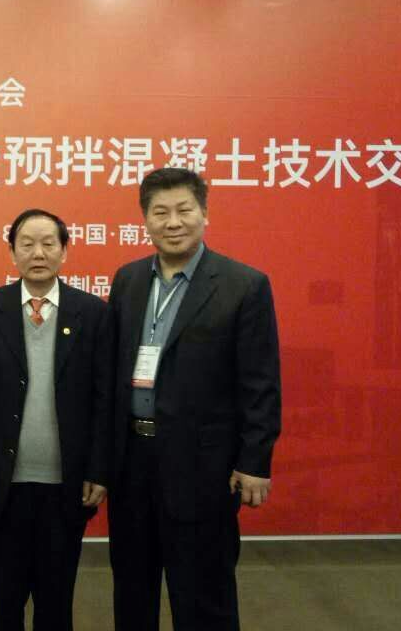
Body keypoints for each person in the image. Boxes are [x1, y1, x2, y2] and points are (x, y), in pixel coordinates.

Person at [107, 167, 282, 631]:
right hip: (132, 463)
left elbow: (261, 382)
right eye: (160, 212)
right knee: (132, 592)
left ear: (204, 214)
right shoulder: (128, 280)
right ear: (145, 220)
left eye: (184, 210)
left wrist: (255, 461)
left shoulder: (243, 285)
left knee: (204, 596)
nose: (173, 222)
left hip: (203, 468)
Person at [0, 208, 113, 631]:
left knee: (56, 602)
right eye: (26, 244)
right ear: (12, 253)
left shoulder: (92, 312)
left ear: (65, 251)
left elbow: (103, 399)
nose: (38, 253)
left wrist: (99, 470)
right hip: (3, 482)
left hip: (67, 483)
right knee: (4, 601)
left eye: (48, 243)